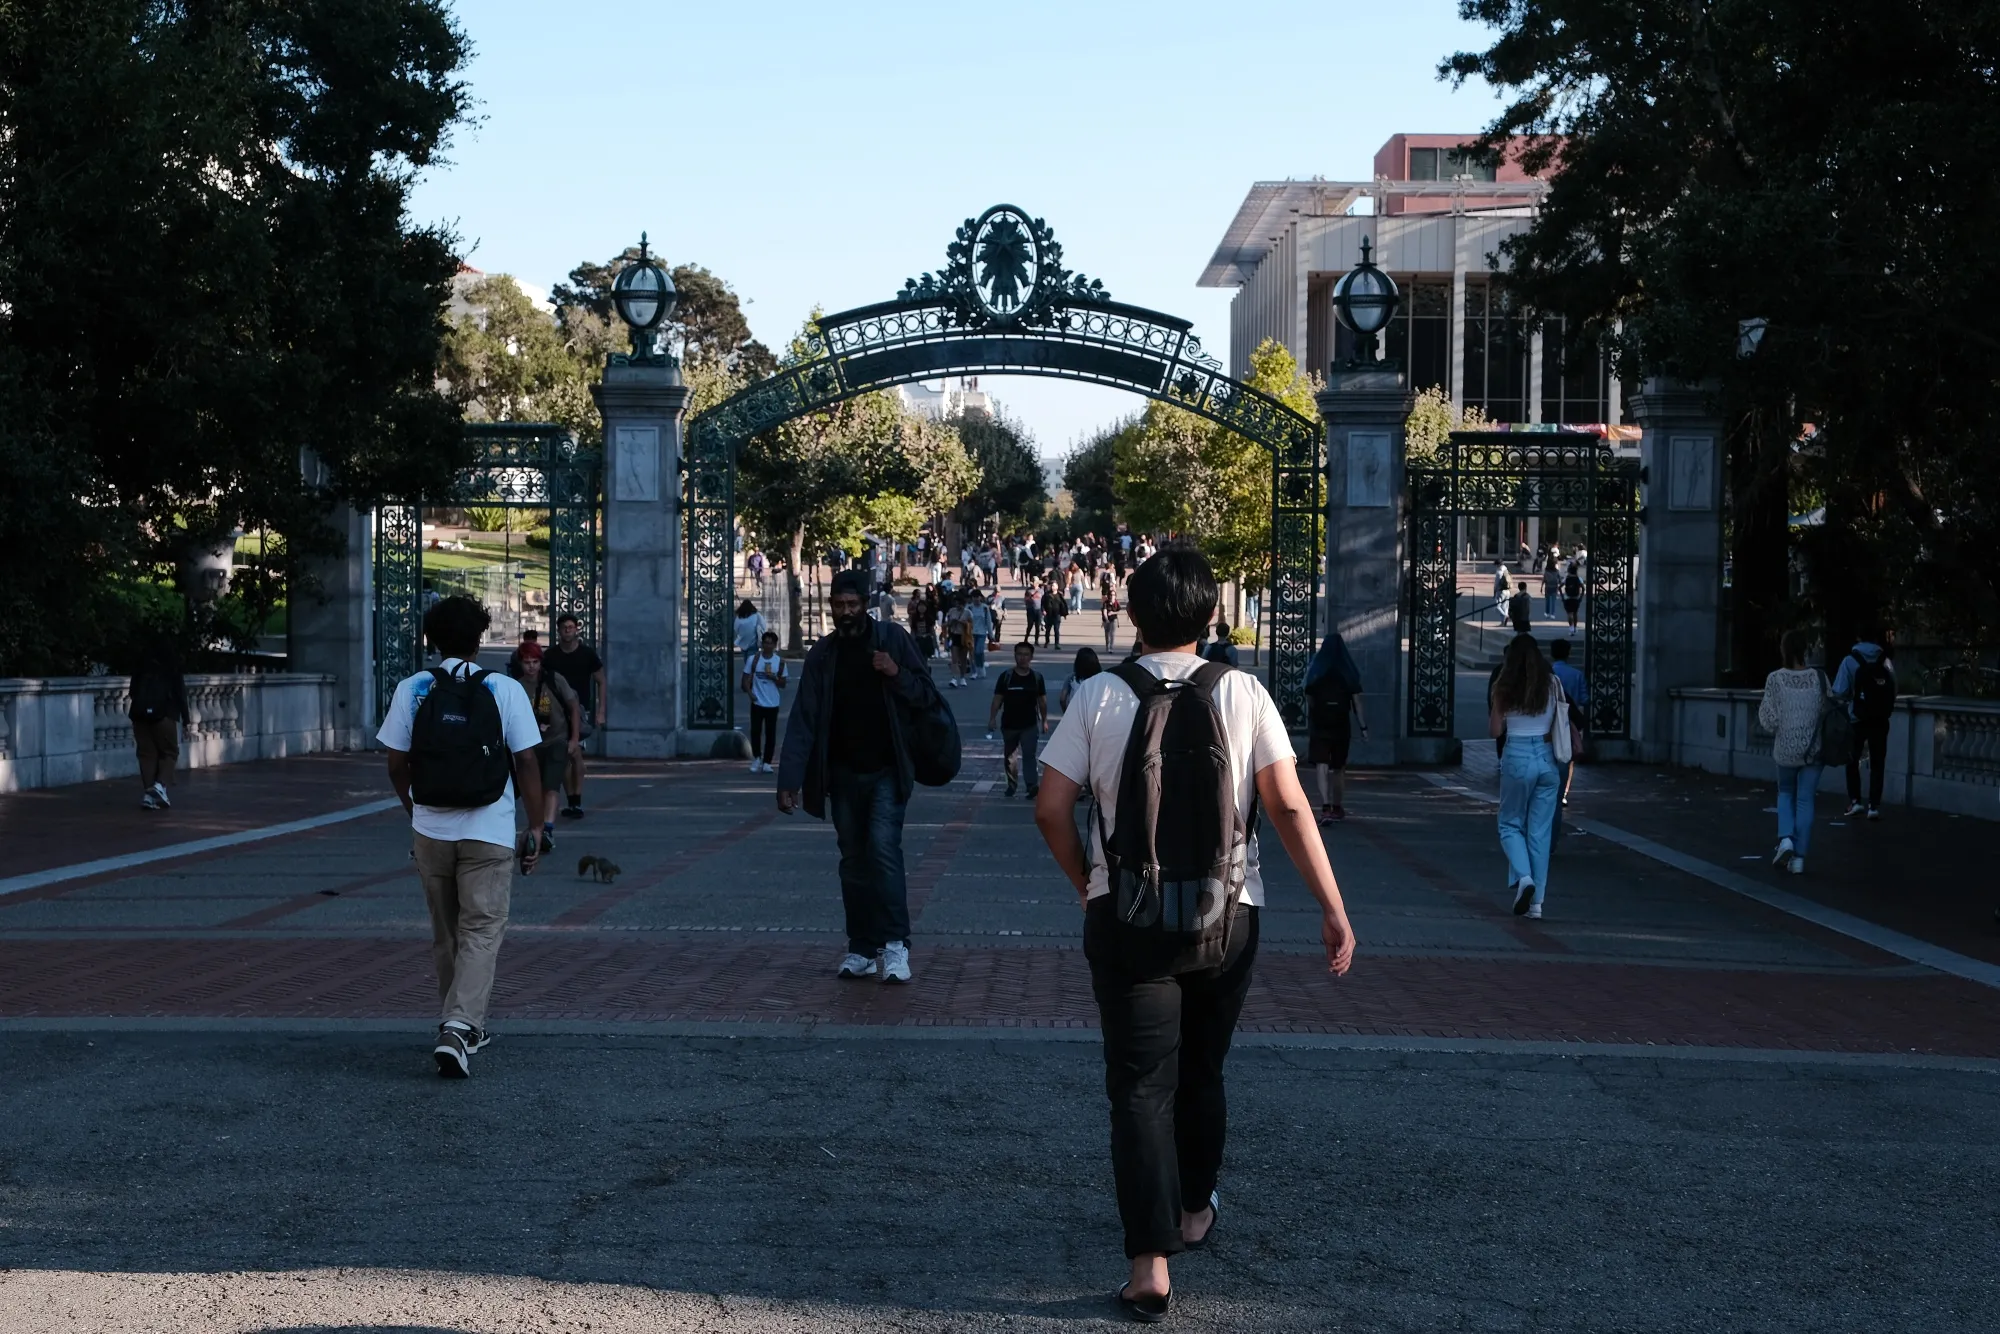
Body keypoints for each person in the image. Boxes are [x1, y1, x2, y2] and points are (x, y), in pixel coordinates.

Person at [1031, 548, 1357, 1321]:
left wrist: (1088, 882)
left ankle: (1149, 1265)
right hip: (1228, 910)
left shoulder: (1098, 695)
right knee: (1203, 1070)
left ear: (1131, 613)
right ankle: (1193, 1210)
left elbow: (1050, 807)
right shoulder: (1242, 692)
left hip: (1127, 913)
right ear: (1211, 615)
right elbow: (1288, 806)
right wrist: (1332, 905)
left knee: (1140, 1085)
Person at [377, 595, 544, 1078]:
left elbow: (395, 763)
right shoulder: (504, 688)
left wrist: (414, 807)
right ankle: (459, 1025)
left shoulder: (413, 688)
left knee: (447, 931)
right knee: (483, 928)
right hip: (489, 827)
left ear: (432, 640)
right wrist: (536, 826)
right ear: (479, 639)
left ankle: (463, 1023)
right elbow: (527, 760)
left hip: (431, 828)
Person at [776, 568, 943, 984]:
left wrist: (895, 673)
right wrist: (789, 779)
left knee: (883, 852)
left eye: (852, 604)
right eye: (839, 605)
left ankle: (896, 945)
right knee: (853, 862)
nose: (846, 612)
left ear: (866, 604)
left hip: (888, 770)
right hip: (843, 775)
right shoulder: (823, 654)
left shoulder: (892, 640)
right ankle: (862, 948)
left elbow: (927, 696)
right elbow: (804, 718)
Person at [1489, 635, 1563, 919]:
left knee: (1509, 823)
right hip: (1546, 756)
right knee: (1540, 832)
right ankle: (1537, 904)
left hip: (1517, 755)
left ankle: (1524, 878)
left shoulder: (1504, 685)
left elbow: (1495, 731)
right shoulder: (1552, 683)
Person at [1758, 629, 1829, 875]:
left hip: (1786, 749)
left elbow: (1768, 720)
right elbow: (1827, 711)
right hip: (1814, 750)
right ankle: (1799, 859)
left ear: (1784, 650)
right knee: (1806, 800)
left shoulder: (1775, 679)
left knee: (1786, 793)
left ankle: (1786, 838)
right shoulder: (1820, 678)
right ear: (1805, 650)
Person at [516, 643, 581, 852]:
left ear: (540, 662)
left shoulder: (554, 680)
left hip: (556, 740)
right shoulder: (517, 686)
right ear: (520, 663)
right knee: (534, 788)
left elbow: (573, 708)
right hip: (530, 744)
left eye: (535, 662)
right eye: (527, 662)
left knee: (551, 786)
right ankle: (537, 825)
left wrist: (574, 739)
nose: (531, 667)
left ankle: (548, 829)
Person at [544, 612, 605, 820]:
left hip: (579, 711)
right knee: (564, 755)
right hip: (557, 712)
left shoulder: (587, 654)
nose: (567, 631)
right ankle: (572, 800)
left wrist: (600, 711)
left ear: (577, 629)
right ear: (559, 631)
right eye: (564, 628)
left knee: (575, 753)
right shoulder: (551, 656)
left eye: (571, 627)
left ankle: (575, 799)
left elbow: (601, 681)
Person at [1831, 631, 1896, 820]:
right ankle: (1874, 806)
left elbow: (1839, 691)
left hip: (1857, 718)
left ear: (1858, 638)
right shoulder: (1885, 660)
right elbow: (1894, 687)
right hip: (1880, 719)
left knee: (1852, 759)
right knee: (1878, 762)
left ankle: (1855, 801)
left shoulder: (1849, 661)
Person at [1302, 632, 1367, 823]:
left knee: (1321, 765)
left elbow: (1308, 695)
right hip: (1341, 725)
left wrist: (1315, 712)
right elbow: (1358, 703)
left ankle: (1325, 807)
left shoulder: (1317, 671)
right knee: (1339, 768)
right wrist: (1363, 727)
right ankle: (1337, 806)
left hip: (1320, 724)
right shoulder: (1348, 672)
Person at [128, 639, 188, 811]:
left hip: (139, 716)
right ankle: (160, 786)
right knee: (170, 752)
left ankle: (149, 795)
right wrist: (186, 719)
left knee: (147, 755)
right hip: (164, 714)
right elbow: (180, 694)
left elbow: (132, 691)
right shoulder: (172, 667)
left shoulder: (142, 666)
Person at [988, 641, 1049, 798]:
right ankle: (1012, 784)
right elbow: (997, 699)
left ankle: (1032, 786)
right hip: (1009, 725)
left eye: (1026, 654)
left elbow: (1042, 701)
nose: (1022, 658)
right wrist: (992, 718)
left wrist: (1044, 720)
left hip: (1029, 724)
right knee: (1010, 757)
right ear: (1015, 656)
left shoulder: (1036, 678)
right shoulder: (1006, 677)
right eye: (1019, 654)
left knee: (1029, 755)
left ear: (1031, 657)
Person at [1547, 639, 1588, 813]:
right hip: (1569, 720)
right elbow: (1585, 699)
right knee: (1568, 756)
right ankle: (1563, 791)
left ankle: (1552, 788)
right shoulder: (1576, 674)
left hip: (1550, 720)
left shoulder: (1548, 674)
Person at [742, 630, 789, 774]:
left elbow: (783, 684)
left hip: (772, 703)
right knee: (756, 731)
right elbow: (745, 679)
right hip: (757, 702)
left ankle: (767, 762)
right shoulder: (754, 659)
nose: (767, 646)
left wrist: (774, 678)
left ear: (775, 645)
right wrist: (751, 694)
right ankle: (757, 758)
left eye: (770, 643)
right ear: (762, 644)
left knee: (770, 733)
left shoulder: (779, 662)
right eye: (765, 643)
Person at [1059, 645, 1101, 713]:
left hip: (1075, 713)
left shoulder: (1072, 678)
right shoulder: (1100, 678)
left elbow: (1062, 699)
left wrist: (1066, 713)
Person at [967, 589, 995, 680]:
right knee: (972, 653)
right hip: (971, 633)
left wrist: (991, 635)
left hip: (981, 633)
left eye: (977, 597)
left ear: (980, 597)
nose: (976, 599)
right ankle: (974, 671)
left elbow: (988, 621)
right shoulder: (969, 608)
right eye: (974, 597)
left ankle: (981, 667)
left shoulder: (985, 608)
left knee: (979, 651)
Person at [1042, 580, 1067, 649]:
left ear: (1057, 587)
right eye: (1051, 586)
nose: (1052, 587)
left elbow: (1063, 605)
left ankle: (1057, 644)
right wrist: (1043, 610)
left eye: (1054, 586)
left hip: (1057, 615)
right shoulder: (1046, 595)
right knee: (1048, 630)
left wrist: (1064, 614)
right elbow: (1042, 603)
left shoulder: (1059, 595)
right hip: (1048, 615)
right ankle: (1047, 642)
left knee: (1056, 630)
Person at [1560, 565, 1583, 633]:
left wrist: (1562, 597)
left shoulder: (1566, 578)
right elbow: (1583, 588)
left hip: (1567, 598)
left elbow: (1559, 587)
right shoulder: (1579, 578)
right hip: (1576, 598)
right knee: (1575, 613)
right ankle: (1575, 627)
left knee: (1569, 613)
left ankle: (1571, 627)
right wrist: (1581, 597)